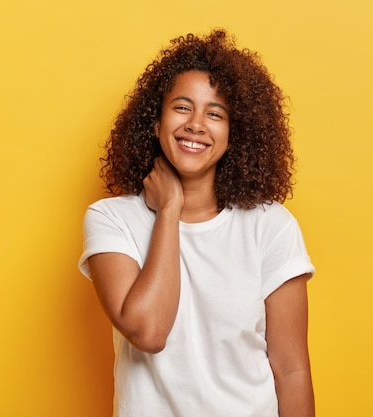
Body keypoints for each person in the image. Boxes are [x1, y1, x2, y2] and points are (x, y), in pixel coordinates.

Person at [78, 29, 316, 417]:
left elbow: (291, 371)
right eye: (182, 107)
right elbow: (149, 332)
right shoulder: (111, 220)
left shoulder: (271, 226)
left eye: (215, 113)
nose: (196, 124)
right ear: (154, 123)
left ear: (233, 135)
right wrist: (169, 210)